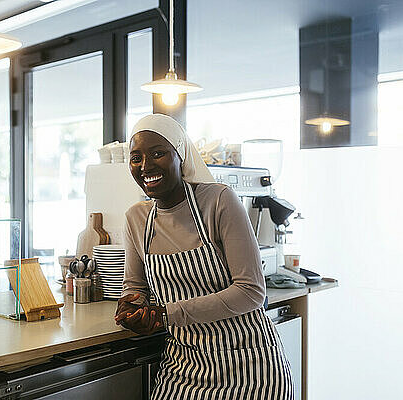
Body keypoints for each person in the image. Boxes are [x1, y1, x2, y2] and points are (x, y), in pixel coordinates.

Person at [114, 114, 294, 399]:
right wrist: (132, 309)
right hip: (185, 366)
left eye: (158, 154)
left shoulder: (219, 200)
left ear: (180, 155)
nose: (145, 166)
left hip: (249, 365)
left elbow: (250, 291)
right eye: (136, 158)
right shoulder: (136, 218)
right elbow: (135, 287)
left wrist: (165, 314)